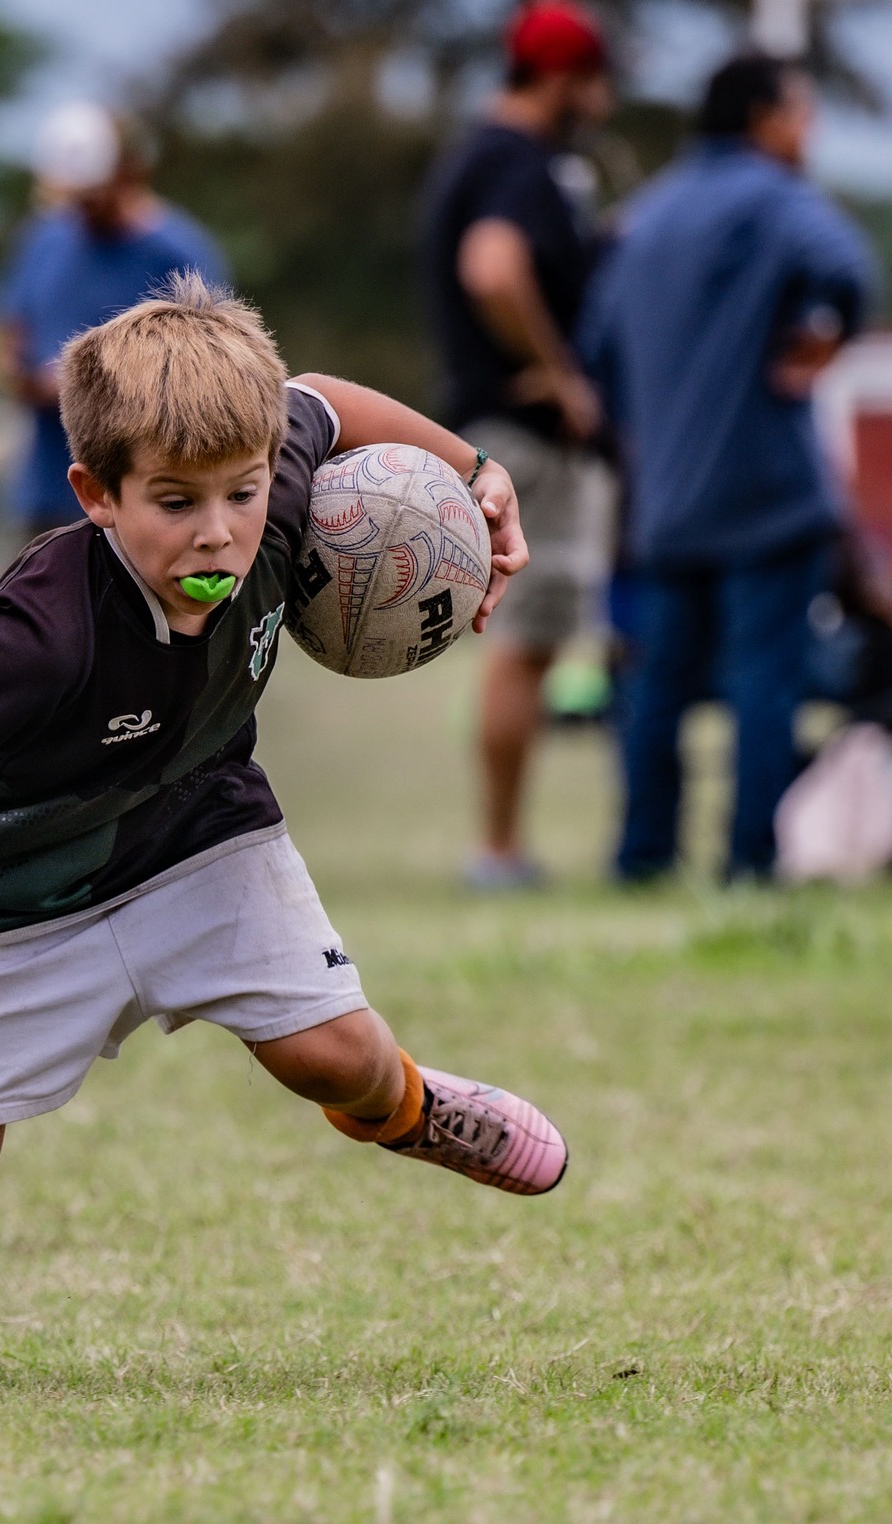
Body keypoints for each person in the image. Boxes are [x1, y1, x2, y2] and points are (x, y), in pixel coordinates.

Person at [0, 275, 565, 1378]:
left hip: (192, 826)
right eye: (175, 501)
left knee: (336, 1054)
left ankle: (413, 1107)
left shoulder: (269, 482)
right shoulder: (39, 633)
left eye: (241, 495)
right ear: (95, 494)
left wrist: (478, 475)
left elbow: (321, 401)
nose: (220, 531)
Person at [582, 54, 876, 883]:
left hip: (667, 504)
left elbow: (595, 352)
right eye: (802, 113)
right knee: (764, 682)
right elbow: (849, 269)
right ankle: (750, 860)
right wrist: (826, 339)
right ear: (763, 119)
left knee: (659, 687)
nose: (808, 131)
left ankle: (643, 856)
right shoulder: (774, 197)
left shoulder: (643, 216)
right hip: (767, 496)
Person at [420, 0, 617, 889]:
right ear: (560, 78)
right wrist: (563, 372)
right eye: (593, 82)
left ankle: (499, 844)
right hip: (521, 440)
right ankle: (498, 851)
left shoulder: (476, 154)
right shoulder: (520, 163)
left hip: (490, 427)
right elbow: (494, 267)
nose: (603, 102)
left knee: (527, 648)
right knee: (527, 646)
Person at [0, 101, 228, 541]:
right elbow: (9, 335)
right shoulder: (45, 240)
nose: (82, 210)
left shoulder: (180, 255)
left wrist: (89, 385)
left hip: (142, 503)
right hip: (49, 492)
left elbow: (206, 380)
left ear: (129, 173)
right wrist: (21, 376)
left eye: (92, 195)